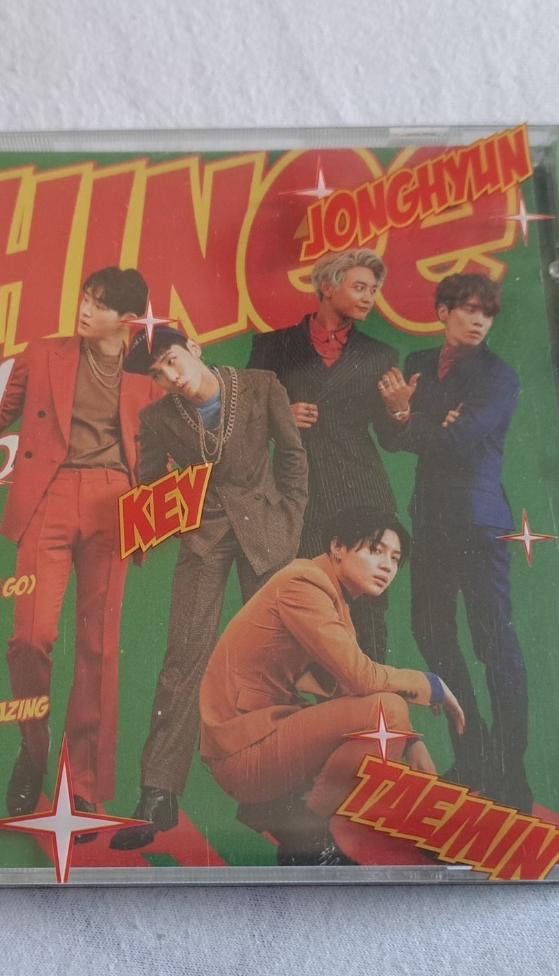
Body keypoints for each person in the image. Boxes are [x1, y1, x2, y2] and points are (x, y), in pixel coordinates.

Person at [0, 268, 163, 818]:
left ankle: (86, 783)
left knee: (99, 647)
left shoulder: (150, 371)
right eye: (85, 298)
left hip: (117, 503)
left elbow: (181, 432)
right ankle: (33, 750)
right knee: (30, 637)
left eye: (99, 305)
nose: (85, 310)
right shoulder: (44, 354)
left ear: (127, 319)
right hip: (49, 495)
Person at [107, 325, 308, 850]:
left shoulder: (261, 385)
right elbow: (151, 486)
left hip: (267, 532)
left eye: (173, 361)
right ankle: (158, 794)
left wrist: (290, 519)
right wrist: (163, 513)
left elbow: (292, 456)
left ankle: (288, 797)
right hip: (204, 540)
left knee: (275, 661)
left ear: (194, 348)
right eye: (158, 374)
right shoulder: (157, 419)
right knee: (184, 660)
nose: (171, 377)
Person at [197, 506, 464, 865]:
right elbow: (362, 677)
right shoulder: (304, 583)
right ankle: (306, 835)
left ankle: (312, 829)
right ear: (337, 547)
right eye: (376, 550)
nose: (387, 566)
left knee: (385, 716)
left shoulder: (333, 600)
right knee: (386, 710)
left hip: (266, 736)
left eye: (395, 558)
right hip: (242, 748)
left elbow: (350, 691)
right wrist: (431, 684)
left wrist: (411, 742)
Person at [377, 272, 531, 811]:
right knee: (431, 633)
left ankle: (512, 776)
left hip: (479, 523)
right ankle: (475, 756)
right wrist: (410, 418)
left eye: (487, 313)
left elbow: (459, 442)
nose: (479, 321)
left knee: (494, 646)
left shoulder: (499, 376)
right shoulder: (417, 362)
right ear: (443, 311)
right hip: (432, 522)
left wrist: (410, 417)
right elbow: (390, 436)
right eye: (468, 309)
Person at [248, 248, 401, 662]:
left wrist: (398, 409)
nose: (369, 297)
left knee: (368, 610)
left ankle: (372, 697)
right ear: (327, 287)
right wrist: (281, 418)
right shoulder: (272, 347)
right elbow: (242, 424)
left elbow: (389, 439)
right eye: (360, 287)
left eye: (373, 290)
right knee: (308, 605)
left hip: (361, 490)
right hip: (299, 492)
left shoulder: (379, 356)